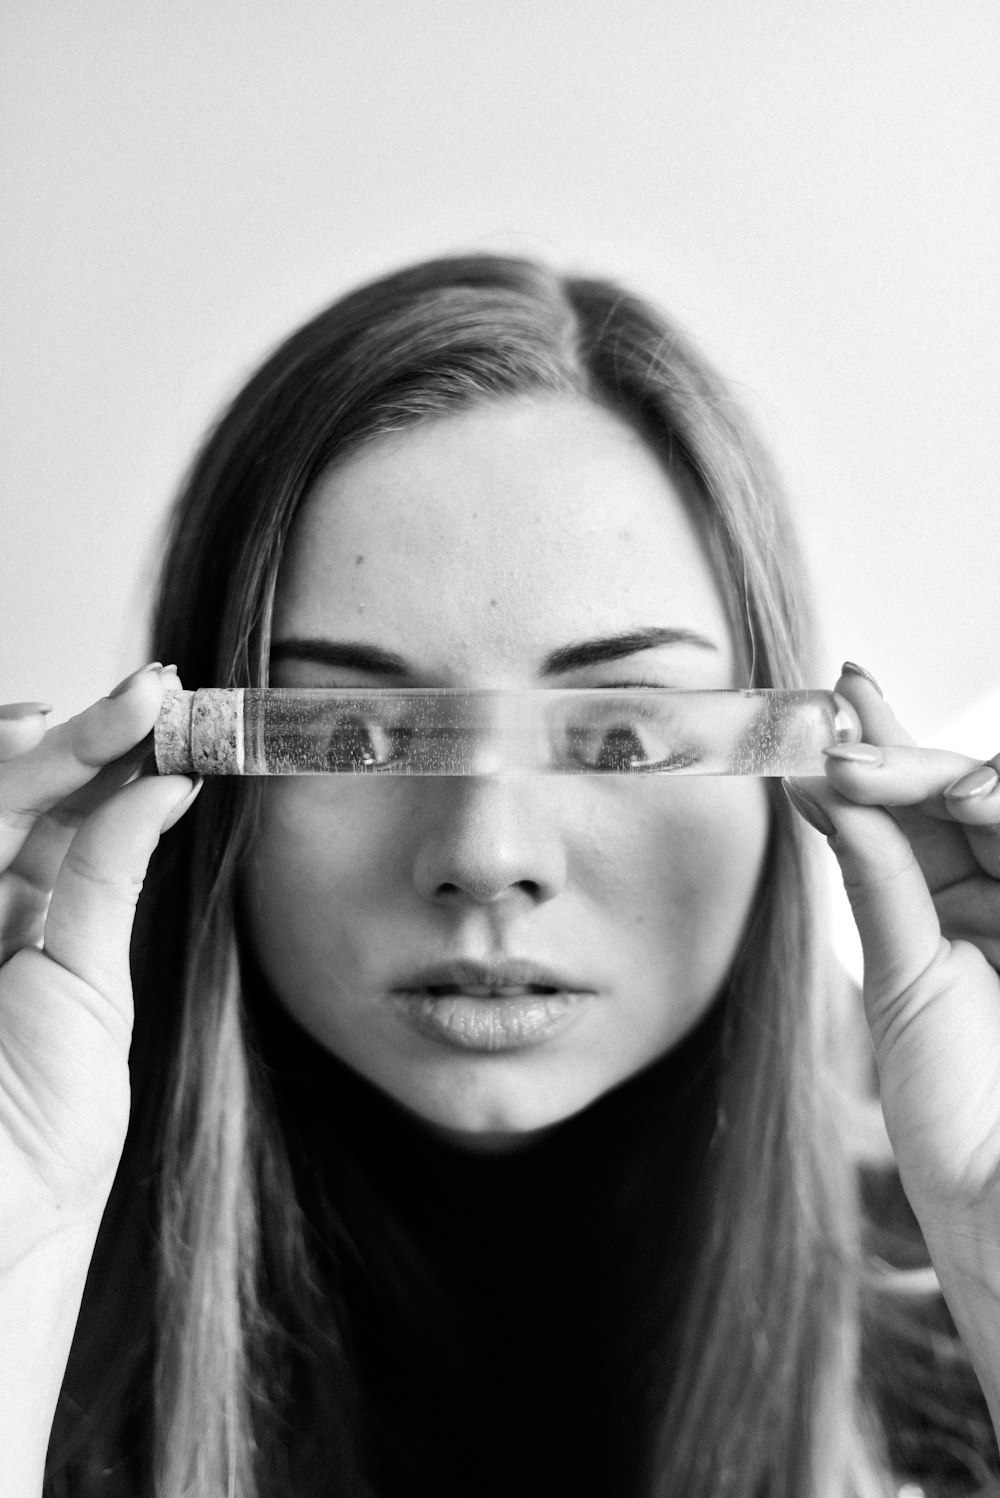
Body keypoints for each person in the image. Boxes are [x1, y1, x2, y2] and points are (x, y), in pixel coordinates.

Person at [2, 254, 999, 1498]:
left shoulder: (961, 1322)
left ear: (800, 765)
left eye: (621, 734)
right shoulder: (37, 1286)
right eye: (347, 735)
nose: (487, 856)